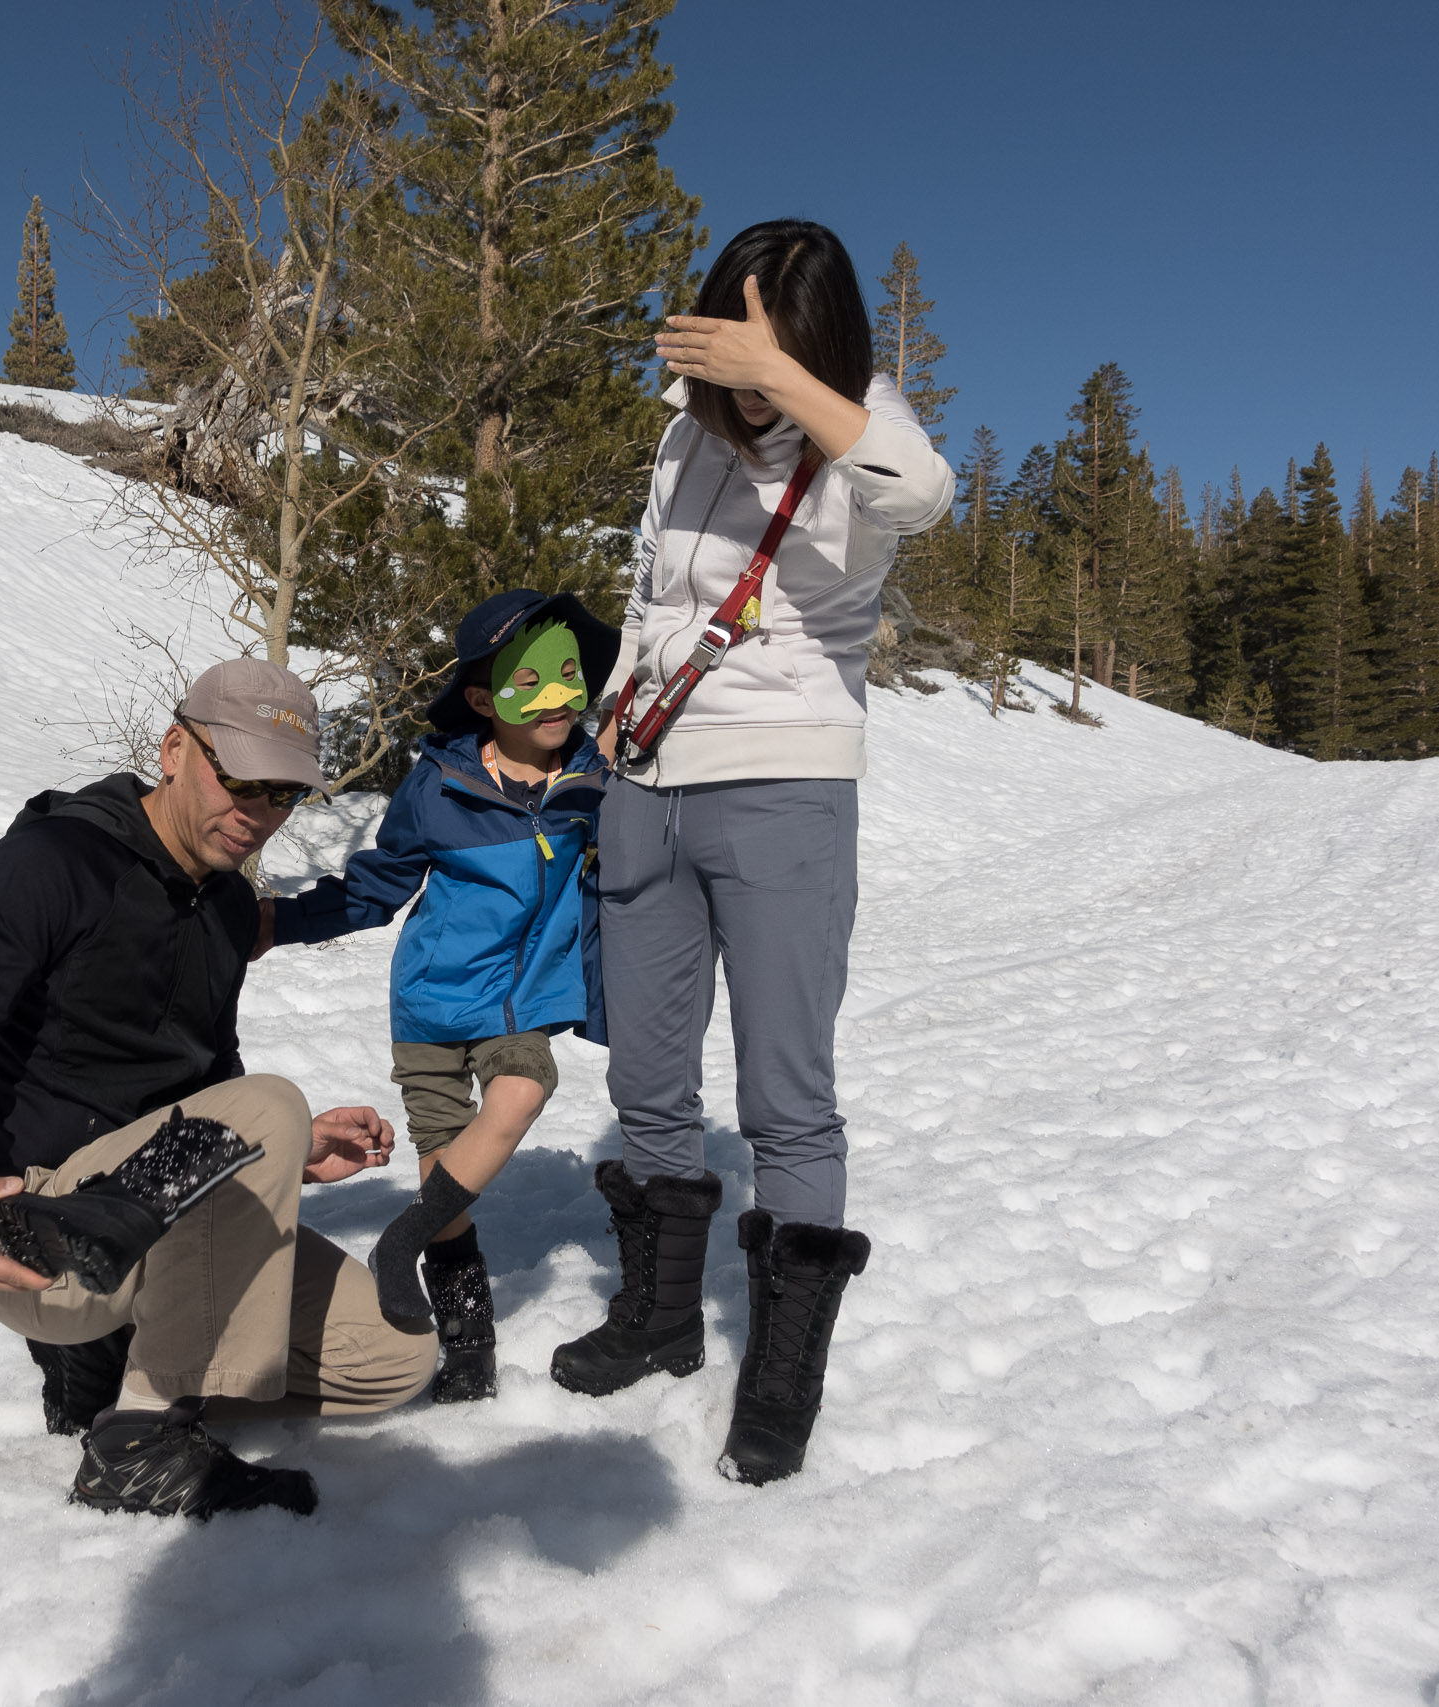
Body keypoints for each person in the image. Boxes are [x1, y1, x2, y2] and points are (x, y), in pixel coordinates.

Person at [548, 220, 956, 1486]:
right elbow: (651, 597)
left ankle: (781, 1375)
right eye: (721, 309)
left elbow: (923, 497)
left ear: (813, 331)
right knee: (648, 1077)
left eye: (759, 317)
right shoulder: (685, 434)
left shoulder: (857, 432)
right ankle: (663, 1318)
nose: (732, 337)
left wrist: (784, 381)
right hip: (646, 780)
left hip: (782, 784)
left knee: (786, 1094)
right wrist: (613, 713)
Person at [0, 658, 437, 1519]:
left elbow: (207, 1091)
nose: (258, 812)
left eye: (284, 793)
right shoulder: (46, 864)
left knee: (395, 1355)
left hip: (154, 1229)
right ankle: (140, 1439)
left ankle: (120, 1372)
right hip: (38, 1234)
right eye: (240, 777)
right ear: (175, 748)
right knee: (268, 1106)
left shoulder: (222, 909)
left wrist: (289, 1152)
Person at [266, 590, 617, 1402]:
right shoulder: (440, 786)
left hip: (519, 1003)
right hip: (429, 1006)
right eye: (536, 680)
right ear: (485, 699)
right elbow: (376, 889)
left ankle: (398, 1243)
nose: (562, 693)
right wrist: (277, 922)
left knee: (524, 1089)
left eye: (572, 672)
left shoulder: (596, 783)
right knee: (445, 1188)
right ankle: (468, 1342)